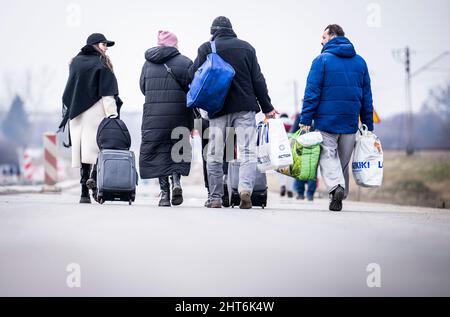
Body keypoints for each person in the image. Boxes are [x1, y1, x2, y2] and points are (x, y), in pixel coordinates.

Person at [190, 16, 278, 209]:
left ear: (213, 31)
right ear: (231, 29)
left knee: (214, 153)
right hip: (245, 108)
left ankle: (215, 198)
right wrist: (268, 107)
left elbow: (193, 75)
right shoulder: (247, 48)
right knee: (248, 152)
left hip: (218, 108)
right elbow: (258, 80)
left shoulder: (206, 48)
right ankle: (245, 190)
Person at [298, 24, 374, 211]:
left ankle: (336, 187)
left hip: (326, 121)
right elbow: (367, 96)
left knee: (327, 156)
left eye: (323, 37)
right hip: (350, 123)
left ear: (332, 36)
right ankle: (338, 194)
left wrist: (306, 119)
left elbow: (312, 92)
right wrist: (368, 125)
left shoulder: (321, 61)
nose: (321, 41)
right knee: (342, 162)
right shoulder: (360, 62)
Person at [60, 33, 121, 204]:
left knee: (82, 152)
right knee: (96, 150)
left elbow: (70, 88)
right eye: (104, 44)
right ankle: (95, 185)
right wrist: (113, 115)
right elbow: (107, 93)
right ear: (95, 44)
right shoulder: (102, 63)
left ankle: (83, 193)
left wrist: (72, 109)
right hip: (95, 112)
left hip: (76, 113)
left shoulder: (75, 62)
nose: (106, 48)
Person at [139, 31, 194, 207]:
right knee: (178, 150)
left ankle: (164, 194)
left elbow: (143, 87)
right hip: (180, 114)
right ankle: (176, 181)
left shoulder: (147, 64)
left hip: (154, 116)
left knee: (159, 153)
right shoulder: (186, 62)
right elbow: (193, 90)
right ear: (175, 44)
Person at [291, 112, 317, 201]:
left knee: (300, 169)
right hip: (314, 146)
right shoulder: (318, 115)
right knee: (312, 169)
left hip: (301, 146)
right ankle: (310, 194)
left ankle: (300, 193)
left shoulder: (300, 116)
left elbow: (293, 131)